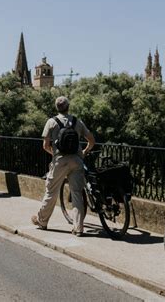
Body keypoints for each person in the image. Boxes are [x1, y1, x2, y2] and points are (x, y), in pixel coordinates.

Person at [31, 96, 95, 236]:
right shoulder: (77, 122)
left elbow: (45, 145)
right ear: (68, 106)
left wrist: (54, 154)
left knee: (51, 191)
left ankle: (42, 221)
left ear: (56, 107)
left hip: (60, 161)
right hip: (77, 161)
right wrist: (84, 152)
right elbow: (91, 140)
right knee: (77, 193)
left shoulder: (51, 122)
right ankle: (78, 228)